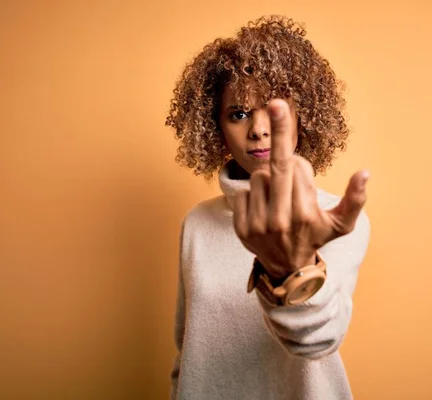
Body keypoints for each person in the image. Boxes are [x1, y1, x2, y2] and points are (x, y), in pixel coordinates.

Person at [165, 15, 371, 400]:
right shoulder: (197, 222)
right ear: (216, 128)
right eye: (238, 113)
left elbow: (319, 340)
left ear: (302, 117)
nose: (258, 129)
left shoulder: (334, 220)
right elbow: (188, 349)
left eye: (272, 108)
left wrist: (290, 272)